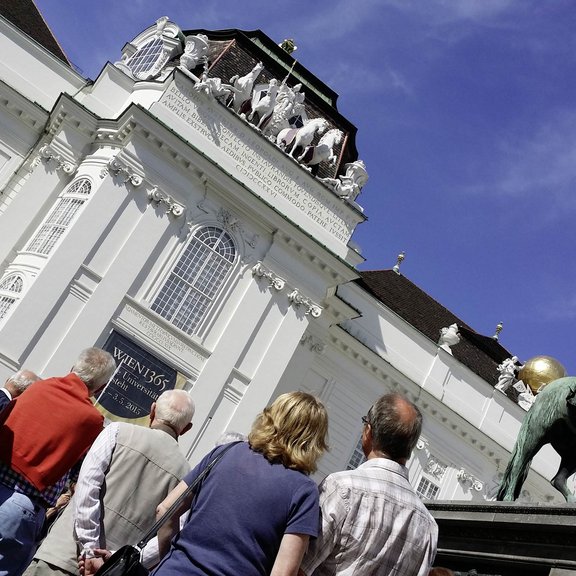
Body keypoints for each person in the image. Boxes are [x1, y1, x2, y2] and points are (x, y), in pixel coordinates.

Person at [152, 391, 329, 576]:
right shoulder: (303, 490)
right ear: (312, 440)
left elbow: (165, 510)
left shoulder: (225, 452)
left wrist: (170, 559)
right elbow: (284, 572)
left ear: (270, 417)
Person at [25, 389, 195, 576]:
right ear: (187, 428)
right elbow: (167, 536)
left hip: (64, 556)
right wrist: (113, 560)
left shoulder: (118, 431)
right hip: (113, 572)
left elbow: (87, 488)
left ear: (152, 410)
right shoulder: (187, 475)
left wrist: (91, 549)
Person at [0, 347, 115, 576]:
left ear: (72, 368)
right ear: (100, 388)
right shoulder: (91, 420)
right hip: (21, 507)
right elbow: (81, 475)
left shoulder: (36, 388)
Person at [299, 392, 438, 576]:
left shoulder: (342, 488)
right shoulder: (428, 527)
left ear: (368, 431)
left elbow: (298, 566)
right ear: (410, 448)